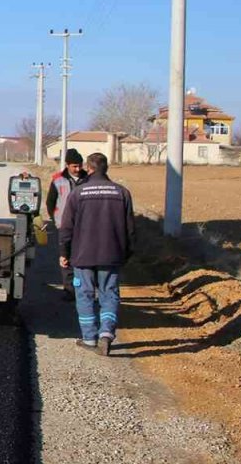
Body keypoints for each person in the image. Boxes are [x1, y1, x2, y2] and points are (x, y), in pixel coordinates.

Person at [58, 152, 134, 356]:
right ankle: (107, 333)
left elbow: (66, 228)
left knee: (84, 294)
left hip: (82, 255)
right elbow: (130, 230)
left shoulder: (78, 193)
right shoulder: (122, 193)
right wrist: (126, 254)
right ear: (106, 168)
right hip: (112, 255)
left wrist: (64, 252)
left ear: (88, 169)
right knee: (109, 294)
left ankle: (90, 338)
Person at [46, 149, 88, 301]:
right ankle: (69, 291)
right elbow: (50, 202)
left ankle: (85, 290)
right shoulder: (57, 180)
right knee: (66, 258)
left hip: (85, 227)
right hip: (64, 226)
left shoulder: (88, 179)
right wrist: (55, 219)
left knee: (84, 259)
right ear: (67, 165)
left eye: (80, 166)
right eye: (74, 166)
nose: (78, 169)